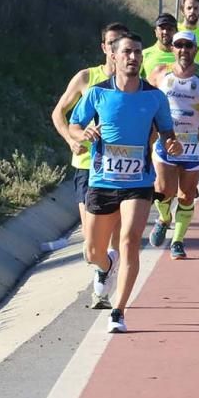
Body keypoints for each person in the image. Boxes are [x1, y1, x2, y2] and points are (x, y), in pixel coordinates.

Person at [69, 33, 183, 333]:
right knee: (92, 251)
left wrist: (172, 145)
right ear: (115, 57)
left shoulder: (155, 97)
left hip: (138, 181)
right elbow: (74, 124)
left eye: (137, 53)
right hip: (102, 181)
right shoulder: (97, 94)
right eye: (127, 53)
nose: (133, 57)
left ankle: (118, 311)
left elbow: (168, 132)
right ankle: (106, 266)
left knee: (130, 240)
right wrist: (83, 136)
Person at [51, 23, 127, 308]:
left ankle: (108, 292)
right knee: (90, 246)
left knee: (118, 234)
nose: (116, 48)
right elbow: (59, 113)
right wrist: (71, 137)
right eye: (111, 43)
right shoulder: (86, 78)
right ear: (105, 48)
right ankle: (105, 266)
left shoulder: (133, 80)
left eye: (121, 42)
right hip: (87, 166)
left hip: (119, 167)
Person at [147, 31, 199, 260]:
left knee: (187, 195)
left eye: (188, 46)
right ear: (172, 48)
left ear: (195, 49)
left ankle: (178, 241)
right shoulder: (160, 73)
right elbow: (147, 101)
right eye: (179, 45)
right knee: (163, 190)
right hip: (167, 139)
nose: (184, 50)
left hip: (193, 142)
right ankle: (163, 218)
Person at [140, 13, 177, 79]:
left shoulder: (182, 56)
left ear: (176, 32)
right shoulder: (144, 54)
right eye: (162, 28)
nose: (165, 32)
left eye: (170, 29)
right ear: (155, 32)